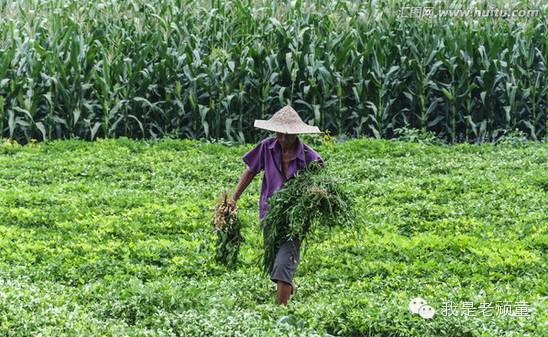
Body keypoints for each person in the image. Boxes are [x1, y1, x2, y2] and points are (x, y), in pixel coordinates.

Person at [228, 105, 324, 305]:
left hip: (295, 219)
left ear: (296, 134)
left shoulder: (309, 157)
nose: (283, 139)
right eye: (280, 134)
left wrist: (313, 200)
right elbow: (250, 171)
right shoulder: (266, 147)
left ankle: (280, 312)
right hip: (269, 214)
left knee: (283, 263)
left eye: (288, 136)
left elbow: (320, 186)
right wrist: (234, 198)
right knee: (273, 260)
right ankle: (287, 287)